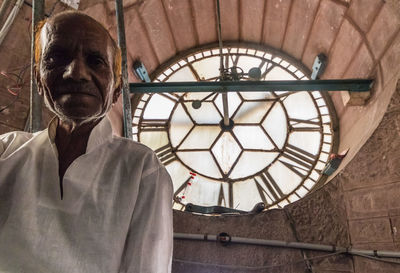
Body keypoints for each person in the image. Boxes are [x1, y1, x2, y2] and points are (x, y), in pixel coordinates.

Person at [0, 11, 173, 273]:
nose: (76, 73)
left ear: (116, 89)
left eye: (95, 61)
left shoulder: (142, 170)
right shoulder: (5, 152)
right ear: (38, 78)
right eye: (56, 58)